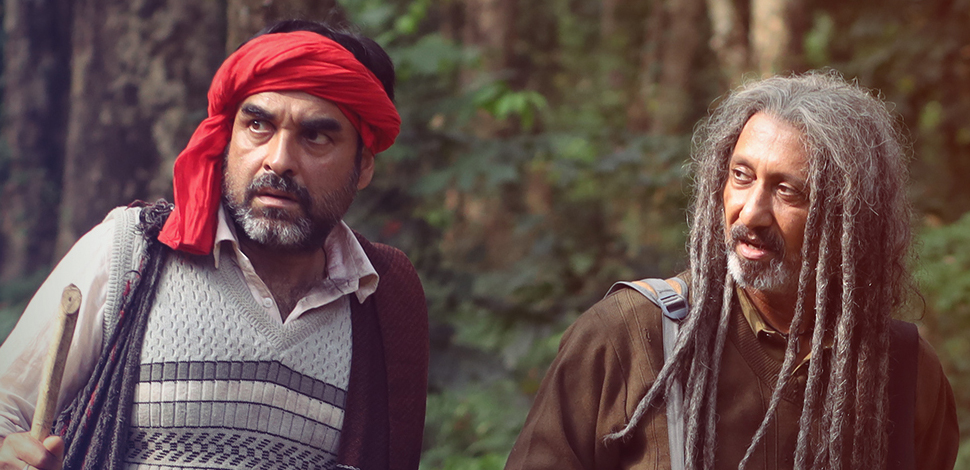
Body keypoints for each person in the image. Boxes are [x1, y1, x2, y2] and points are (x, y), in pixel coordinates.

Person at [0, 20, 428, 470]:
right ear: (227, 136)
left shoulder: (381, 299)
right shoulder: (130, 250)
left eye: (315, 136)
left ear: (363, 165)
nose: (279, 160)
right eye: (258, 125)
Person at [504, 72, 958, 470]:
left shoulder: (905, 371)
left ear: (850, 217)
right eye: (741, 176)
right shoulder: (626, 337)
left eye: (788, 190)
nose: (751, 212)